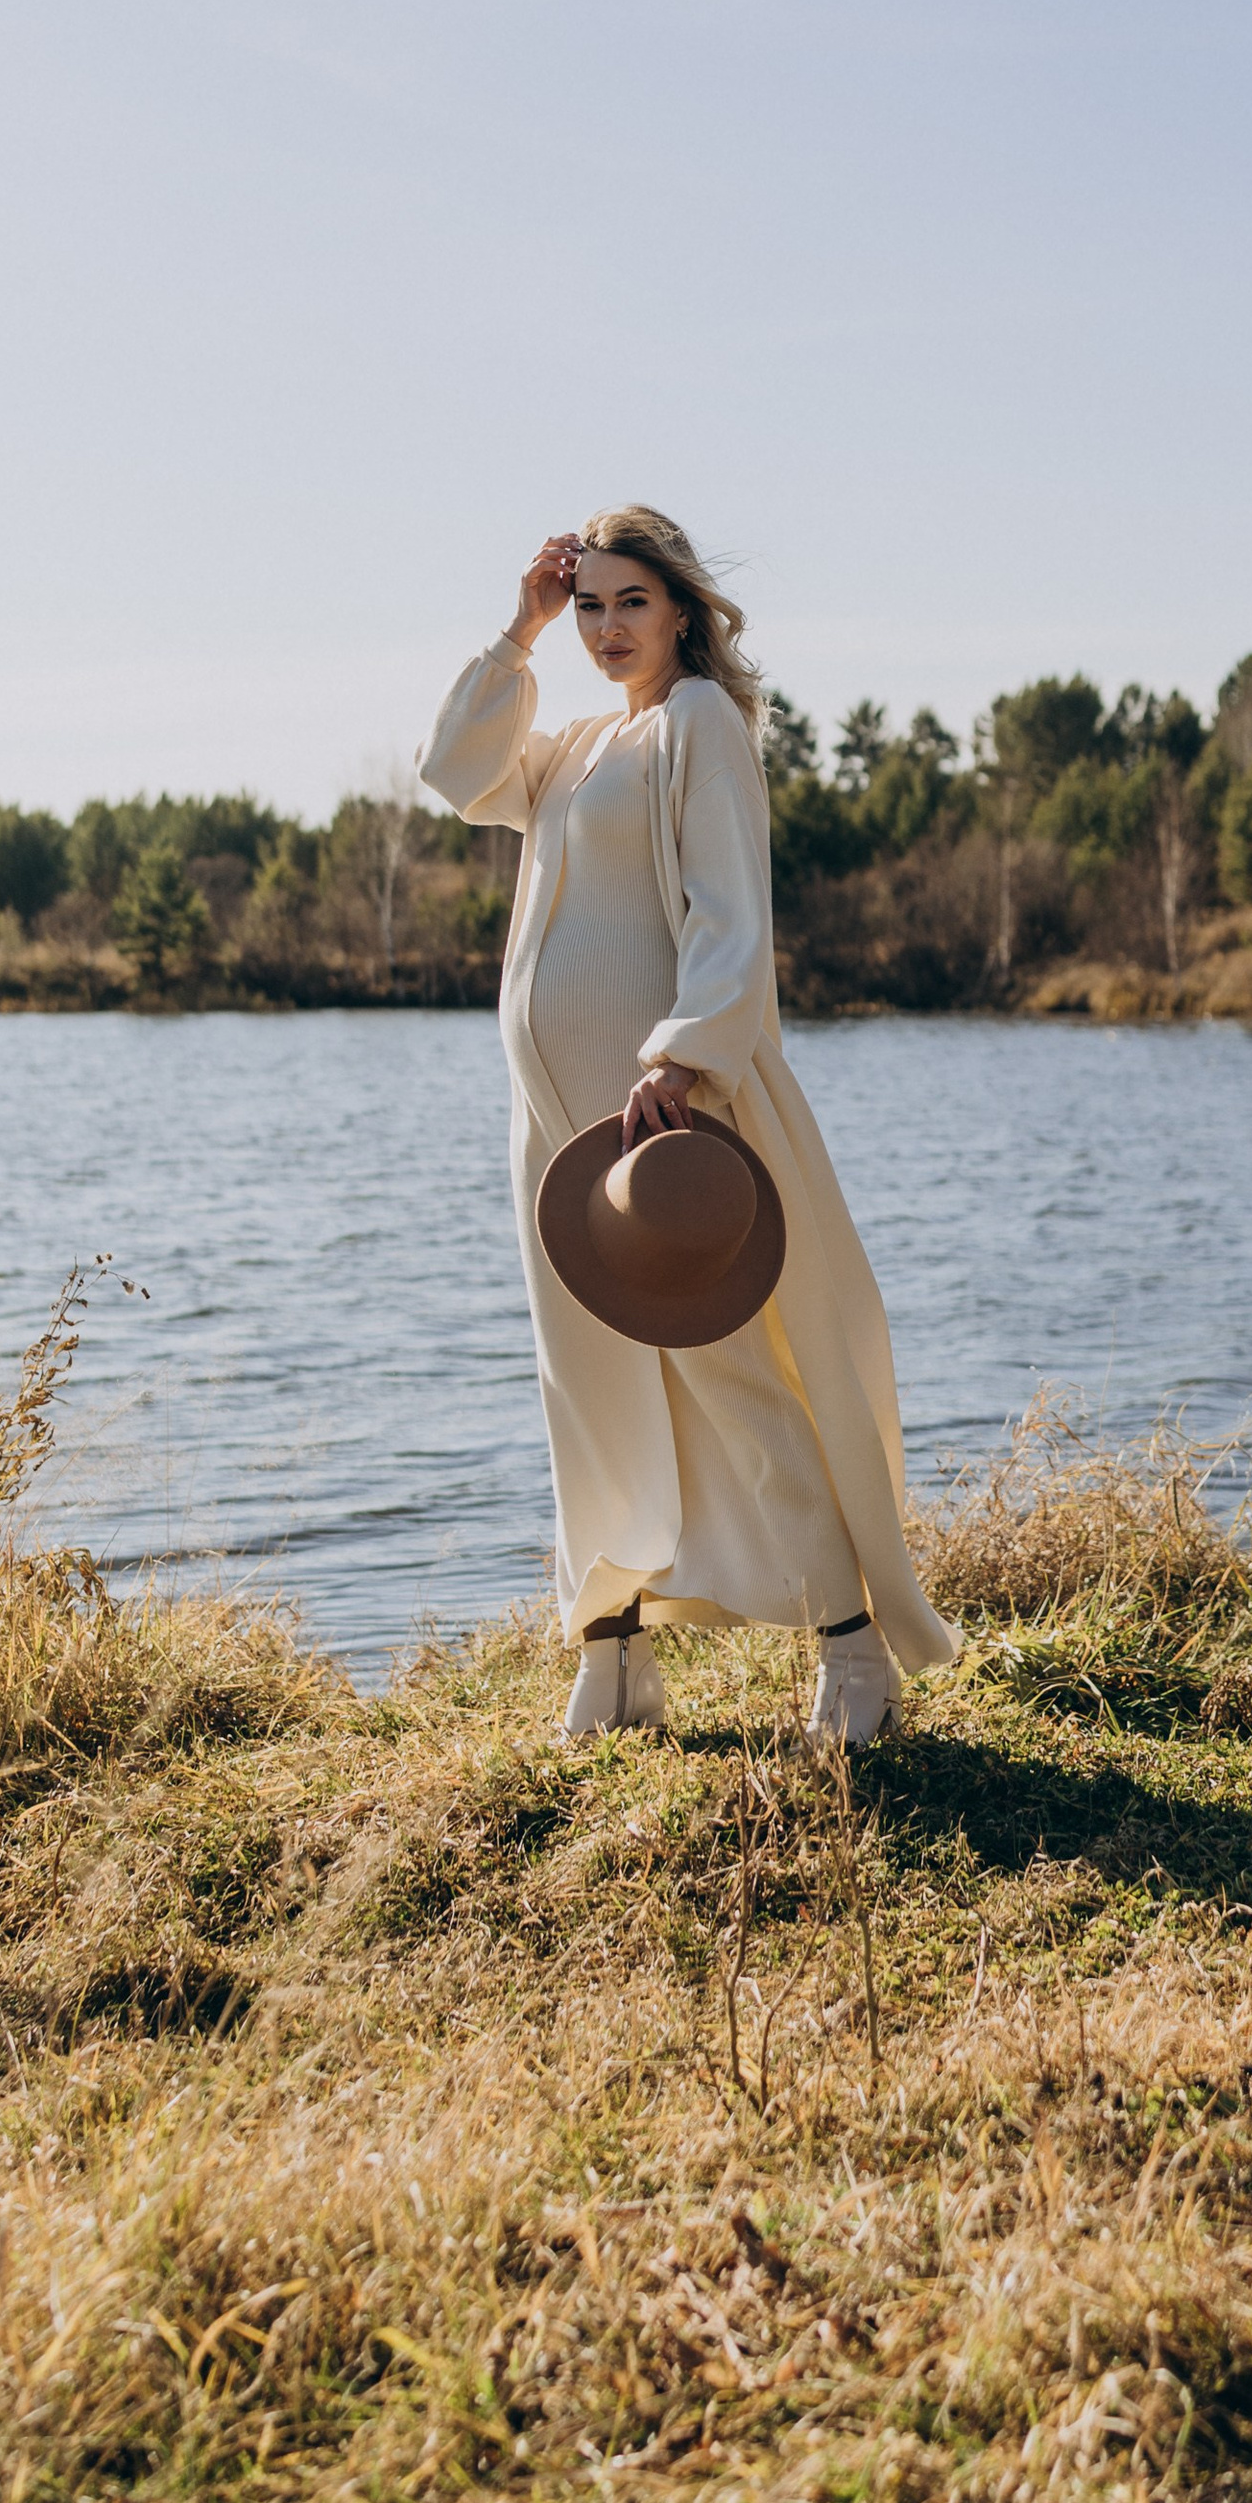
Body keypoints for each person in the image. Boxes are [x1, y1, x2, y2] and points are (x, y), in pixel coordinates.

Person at [419, 507, 959, 1747]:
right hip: (555, 1130)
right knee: (585, 1382)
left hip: (660, 1122)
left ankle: (852, 1648)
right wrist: (519, 628)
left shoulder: (697, 727)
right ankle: (612, 1661)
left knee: (731, 1375)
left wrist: (683, 1058)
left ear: (681, 611)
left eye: (630, 603)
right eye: (591, 606)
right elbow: (455, 774)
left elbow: (730, 912)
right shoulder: (568, 747)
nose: (608, 629)